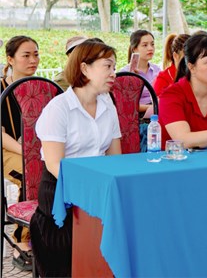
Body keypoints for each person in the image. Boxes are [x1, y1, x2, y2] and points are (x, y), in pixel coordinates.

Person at [30, 40, 122, 276]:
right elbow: (54, 165)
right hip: (61, 190)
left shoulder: (108, 105)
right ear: (84, 68)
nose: (114, 73)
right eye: (107, 66)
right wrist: (88, 188)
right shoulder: (58, 108)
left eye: (114, 67)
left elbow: (115, 158)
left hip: (98, 186)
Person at [1, 35, 40, 270]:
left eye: (36, 54)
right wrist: (28, 152)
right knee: (30, 173)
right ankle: (22, 241)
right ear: (10, 59)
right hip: (8, 151)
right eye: (26, 55)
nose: (33, 60)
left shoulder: (42, 88)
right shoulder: (1, 88)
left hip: (37, 151)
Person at [120, 29, 160, 114]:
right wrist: (153, 107)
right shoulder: (125, 72)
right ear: (134, 49)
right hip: (138, 115)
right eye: (145, 45)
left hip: (157, 111)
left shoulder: (157, 69)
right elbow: (127, 103)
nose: (150, 48)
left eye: (152, 44)